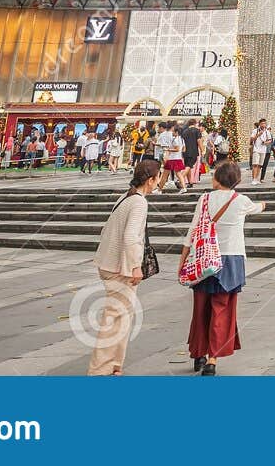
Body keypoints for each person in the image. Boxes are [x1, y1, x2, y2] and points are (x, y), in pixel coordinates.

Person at [182, 161, 265, 375]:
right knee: (222, 309)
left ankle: (198, 353)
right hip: (230, 260)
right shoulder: (241, 200)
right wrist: (263, 204)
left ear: (218, 178)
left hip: (203, 258)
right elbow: (257, 208)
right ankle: (212, 359)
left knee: (200, 308)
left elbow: (192, 231)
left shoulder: (204, 199)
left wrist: (182, 261)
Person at [88, 160, 160, 375]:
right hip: (121, 268)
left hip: (109, 263)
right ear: (150, 180)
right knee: (114, 320)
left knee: (122, 319)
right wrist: (135, 267)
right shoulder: (139, 202)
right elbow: (130, 237)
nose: (159, 182)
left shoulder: (126, 197)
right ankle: (99, 370)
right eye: (158, 177)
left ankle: (114, 366)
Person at [158, 122, 187, 192]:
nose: (172, 133)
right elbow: (184, 149)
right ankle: (183, 188)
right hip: (178, 158)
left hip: (172, 159)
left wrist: (168, 149)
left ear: (176, 132)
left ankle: (159, 189)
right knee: (178, 174)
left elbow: (177, 149)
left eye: (173, 131)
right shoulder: (181, 139)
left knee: (165, 174)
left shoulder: (175, 139)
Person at [249, 119, 273, 185]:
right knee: (255, 164)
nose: (263, 125)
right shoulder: (255, 131)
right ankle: (253, 179)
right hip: (256, 149)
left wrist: (266, 142)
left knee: (259, 165)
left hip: (263, 150)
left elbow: (270, 140)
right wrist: (258, 135)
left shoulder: (267, 132)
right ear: (259, 124)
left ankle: (257, 179)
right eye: (262, 123)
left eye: (264, 123)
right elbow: (252, 139)